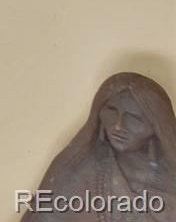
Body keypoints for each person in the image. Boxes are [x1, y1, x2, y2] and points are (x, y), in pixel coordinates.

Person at [26, 73, 176, 221]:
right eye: (111, 111)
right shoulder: (77, 172)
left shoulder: (170, 182)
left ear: (156, 126)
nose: (118, 126)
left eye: (133, 118)